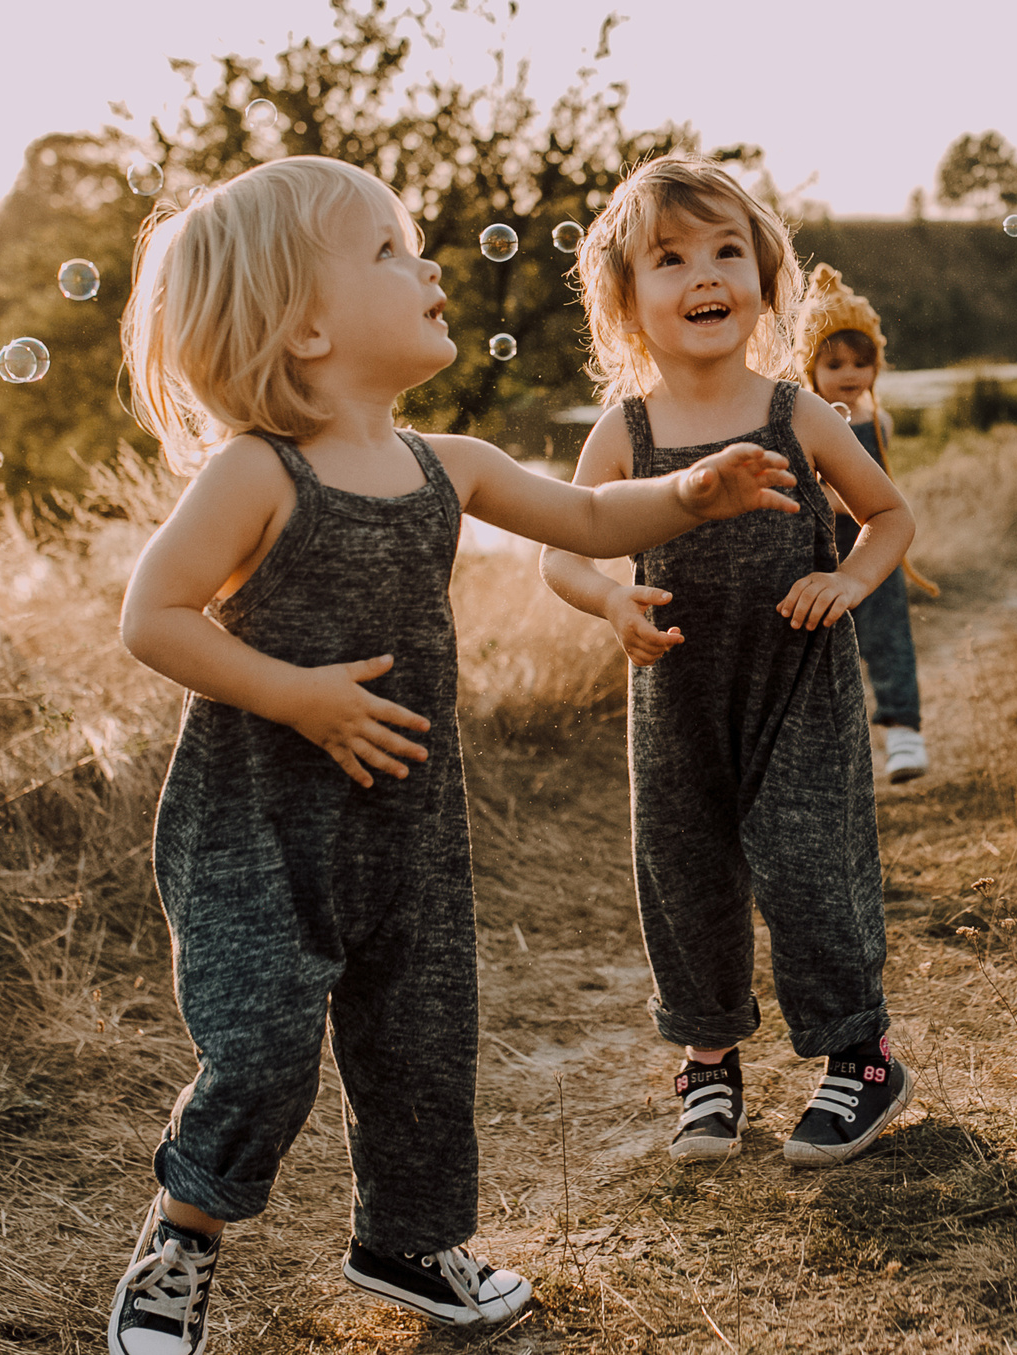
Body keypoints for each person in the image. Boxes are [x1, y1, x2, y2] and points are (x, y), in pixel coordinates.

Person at [108, 157, 798, 1352]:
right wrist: (297, 696)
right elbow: (151, 617)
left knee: (424, 1044)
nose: (425, 267)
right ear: (306, 322)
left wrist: (691, 488)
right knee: (264, 1050)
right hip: (257, 831)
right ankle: (181, 1242)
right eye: (386, 250)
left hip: (406, 828)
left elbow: (588, 520)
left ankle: (407, 1241)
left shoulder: (449, 463)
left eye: (416, 243)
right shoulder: (258, 474)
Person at [539, 154, 919, 1169]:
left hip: (796, 683)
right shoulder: (624, 433)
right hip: (675, 695)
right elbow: (565, 549)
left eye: (724, 252)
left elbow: (886, 515)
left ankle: (860, 1057)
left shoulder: (797, 413)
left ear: (763, 277)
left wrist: (848, 580)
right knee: (684, 872)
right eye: (669, 259)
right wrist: (612, 596)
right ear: (626, 299)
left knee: (807, 868)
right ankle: (708, 1060)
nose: (702, 275)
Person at [796, 264, 939, 783]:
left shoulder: (879, 422)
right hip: (818, 550)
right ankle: (823, 752)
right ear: (810, 367)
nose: (850, 374)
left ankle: (904, 733)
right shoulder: (805, 423)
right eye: (834, 363)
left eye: (862, 362)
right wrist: (835, 500)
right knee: (819, 650)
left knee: (889, 636)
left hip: (874, 547)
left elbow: (878, 492)